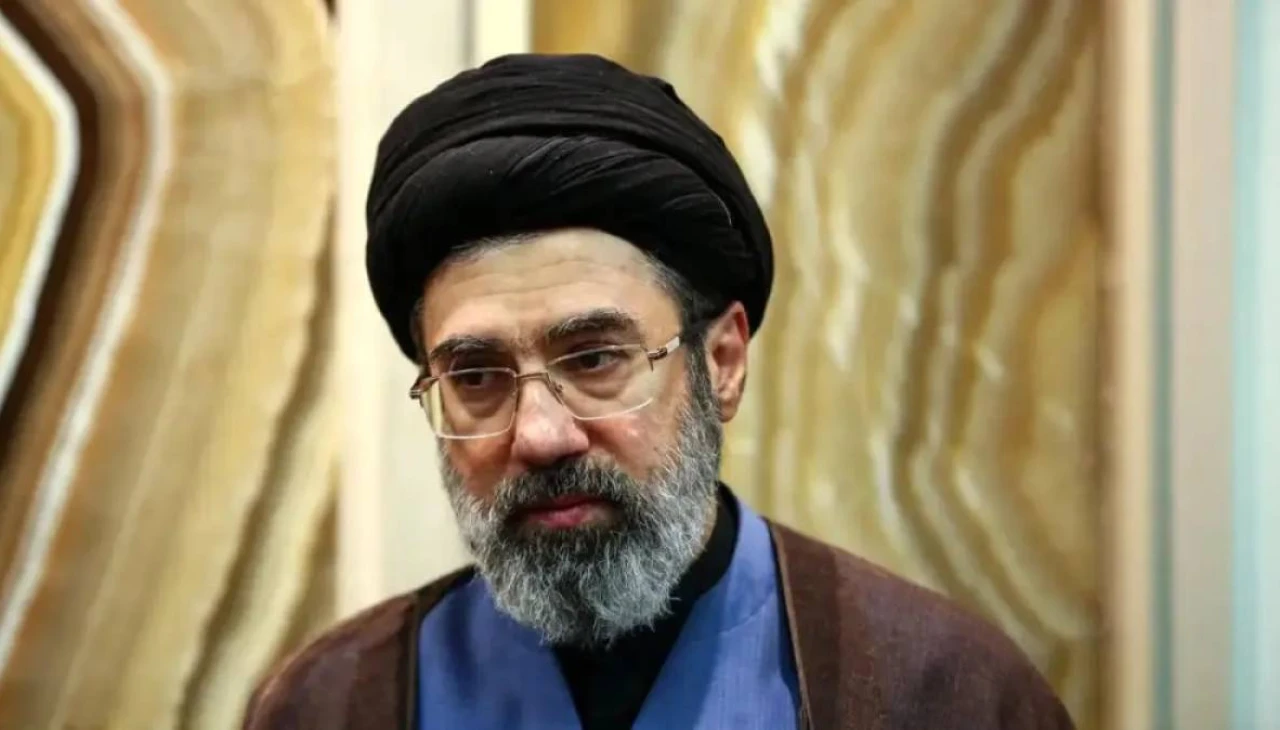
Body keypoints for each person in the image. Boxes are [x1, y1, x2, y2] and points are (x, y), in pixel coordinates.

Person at [242, 54, 1073, 730]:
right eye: (477, 377)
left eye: (595, 358)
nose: (540, 435)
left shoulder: (942, 693)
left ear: (723, 362)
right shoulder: (331, 705)